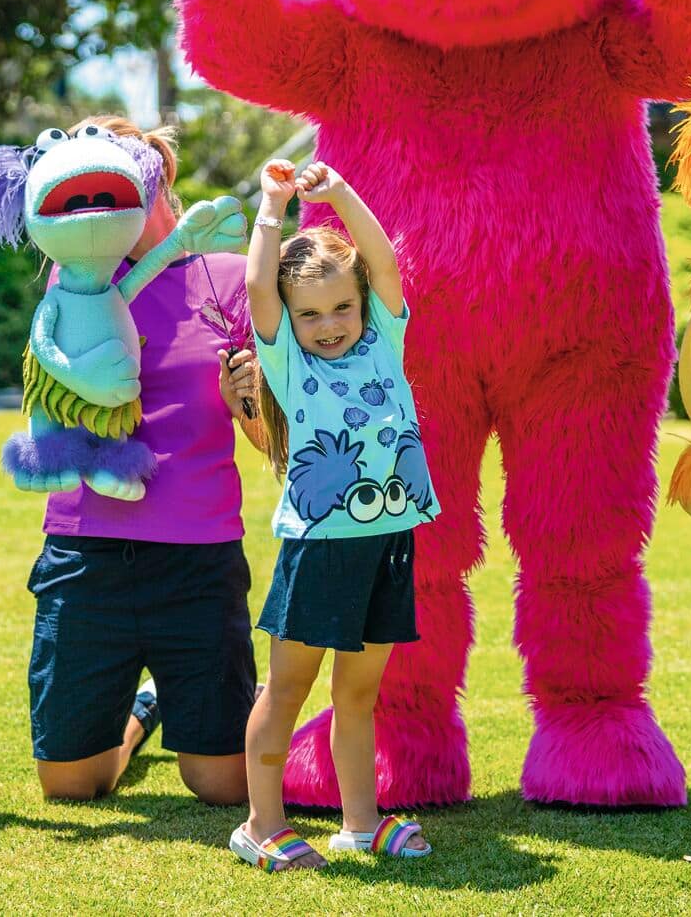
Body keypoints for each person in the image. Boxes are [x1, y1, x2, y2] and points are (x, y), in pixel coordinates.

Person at [24, 117, 267, 807]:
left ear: (153, 177)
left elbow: (266, 441)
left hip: (197, 559)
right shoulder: (74, 284)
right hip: (87, 551)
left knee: (221, 785)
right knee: (71, 784)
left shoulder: (228, 277)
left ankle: (194, 698)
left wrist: (243, 400)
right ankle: (141, 712)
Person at [232, 159, 436, 872]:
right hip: (319, 548)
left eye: (340, 308)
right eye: (309, 314)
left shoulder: (385, 336)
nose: (328, 325)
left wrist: (340, 193)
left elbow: (383, 261)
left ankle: (359, 821)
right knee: (286, 686)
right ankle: (260, 823)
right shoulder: (287, 362)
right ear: (289, 322)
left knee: (359, 691)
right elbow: (259, 284)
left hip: (388, 541)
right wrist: (271, 205)